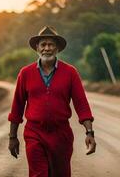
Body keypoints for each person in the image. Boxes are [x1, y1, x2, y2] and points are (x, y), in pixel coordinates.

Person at [8, 26, 96, 177]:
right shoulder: (25, 73)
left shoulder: (70, 72)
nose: (47, 48)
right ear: (37, 48)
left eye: (51, 45)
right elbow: (17, 107)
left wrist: (90, 133)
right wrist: (12, 137)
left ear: (57, 49)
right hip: (34, 133)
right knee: (38, 174)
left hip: (61, 135)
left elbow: (81, 104)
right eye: (43, 45)